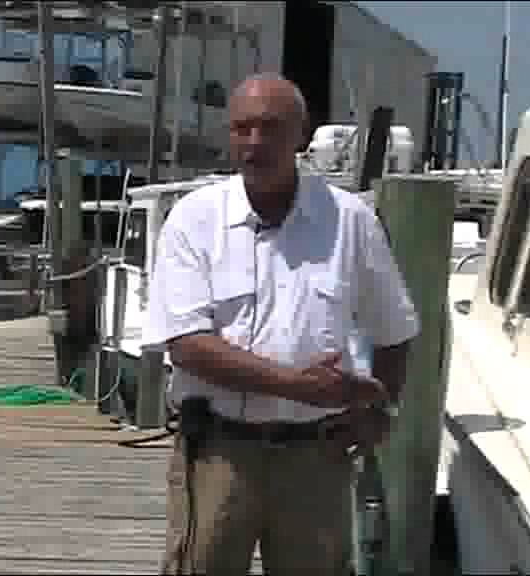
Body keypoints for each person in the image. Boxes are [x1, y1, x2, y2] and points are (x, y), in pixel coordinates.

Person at [144, 73, 419, 575]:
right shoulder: (193, 219)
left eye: (270, 127)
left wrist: (380, 409)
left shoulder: (350, 220)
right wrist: (298, 386)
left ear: (300, 134)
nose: (254, 142)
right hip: (218, 453)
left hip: (315, 457)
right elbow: (187, 344)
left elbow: (394, 330)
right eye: (242, 128)